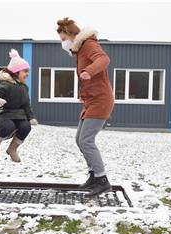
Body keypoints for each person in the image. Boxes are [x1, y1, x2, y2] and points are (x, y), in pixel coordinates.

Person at [56, 17, 115, 196]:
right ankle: (93, 176)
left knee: (86, 140)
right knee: (79, 139)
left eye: (63, 39)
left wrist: (88, 71)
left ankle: (102, 180)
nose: (63, 43)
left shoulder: (88, 44)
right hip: (91, 101)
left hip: (100, 100)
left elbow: (103, 59)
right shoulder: (80, 50)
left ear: (71, 34)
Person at [0, 49, 38, 163]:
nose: (27, 74)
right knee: (8, 126)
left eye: (27, 71)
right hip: (1, 111)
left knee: (26, 127)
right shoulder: (5, 85)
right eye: (25, 71)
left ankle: (12, 149)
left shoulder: (24, 88)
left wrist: (31, 117)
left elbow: (26, 104)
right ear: (16, 72)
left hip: (16, 114)